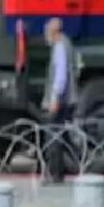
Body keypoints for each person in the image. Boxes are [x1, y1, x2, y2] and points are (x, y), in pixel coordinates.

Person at [41, 18, 78, 183]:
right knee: (60, 135)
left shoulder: (59, 46)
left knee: (52, 137)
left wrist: (54, 98)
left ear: (53, 32)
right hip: (66, 100)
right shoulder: (65, 43)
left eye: (47, 32)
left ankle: (54, 174)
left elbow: (60, 76)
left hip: (60, 100)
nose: (45, 36)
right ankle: (61, 172)